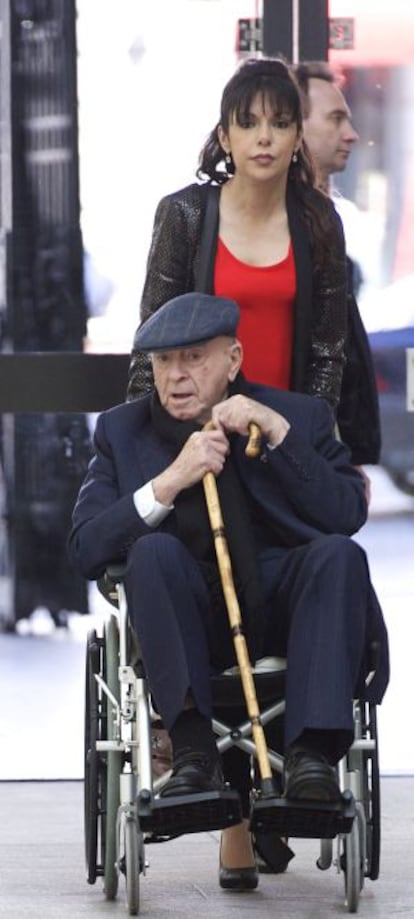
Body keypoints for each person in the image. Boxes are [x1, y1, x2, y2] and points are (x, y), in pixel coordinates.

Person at [69, 292, 389, 894]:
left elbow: (346, 512)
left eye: (193, 358)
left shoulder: (298, 416)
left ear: (234, 357)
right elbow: (85, 548)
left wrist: (281, 437)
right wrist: (169, 482)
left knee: (338, 554)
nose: (176, 376)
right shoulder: (123, 431)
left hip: (288, 614)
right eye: (164, 362)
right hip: (186, 622)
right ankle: (193, 755)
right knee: (153, 552)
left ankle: (312, 762)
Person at [127, 57, 348, 421]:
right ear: (225, 138)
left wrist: (307, 438)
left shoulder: (319, 221)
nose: (264, 137)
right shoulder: (184, 214)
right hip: (200, 437)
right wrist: (143, 444)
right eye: (248, 123)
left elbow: (329, 351)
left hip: (283, 437)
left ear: (296, 138)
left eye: (279, 124)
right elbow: (151, 343)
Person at [294, 62, 381, 471]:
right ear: (292, 126)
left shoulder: (324, 221)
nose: (352, 134)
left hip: (318, 448)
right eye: (335, 119)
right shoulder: (278, 228)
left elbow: (339, 353)